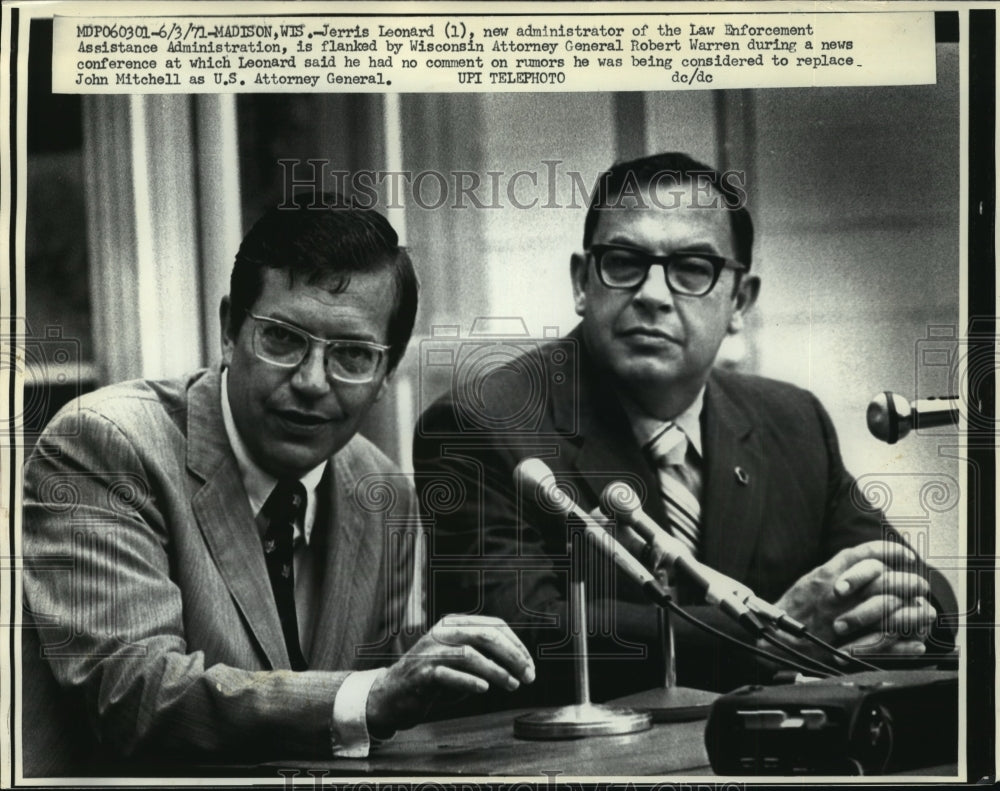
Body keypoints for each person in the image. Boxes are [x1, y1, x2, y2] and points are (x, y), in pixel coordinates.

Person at [413, 152, 956, 704]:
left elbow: (917, 586)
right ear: (582, 282)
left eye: (692, 269)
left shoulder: (793, 421)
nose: (652, 294)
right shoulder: (480, 423)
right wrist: (769, 635)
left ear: (739, 301)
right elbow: (518, 635)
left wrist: (903, 615)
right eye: (623, 261)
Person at [21, 194, 534, 772]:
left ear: (387, 374)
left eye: (353, 355)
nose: (313, 382)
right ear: (229, 330)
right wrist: (372, 695)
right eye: (283, 339)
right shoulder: (105, 445)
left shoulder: (381, 488)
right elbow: (132, 696)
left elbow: (366, 731)